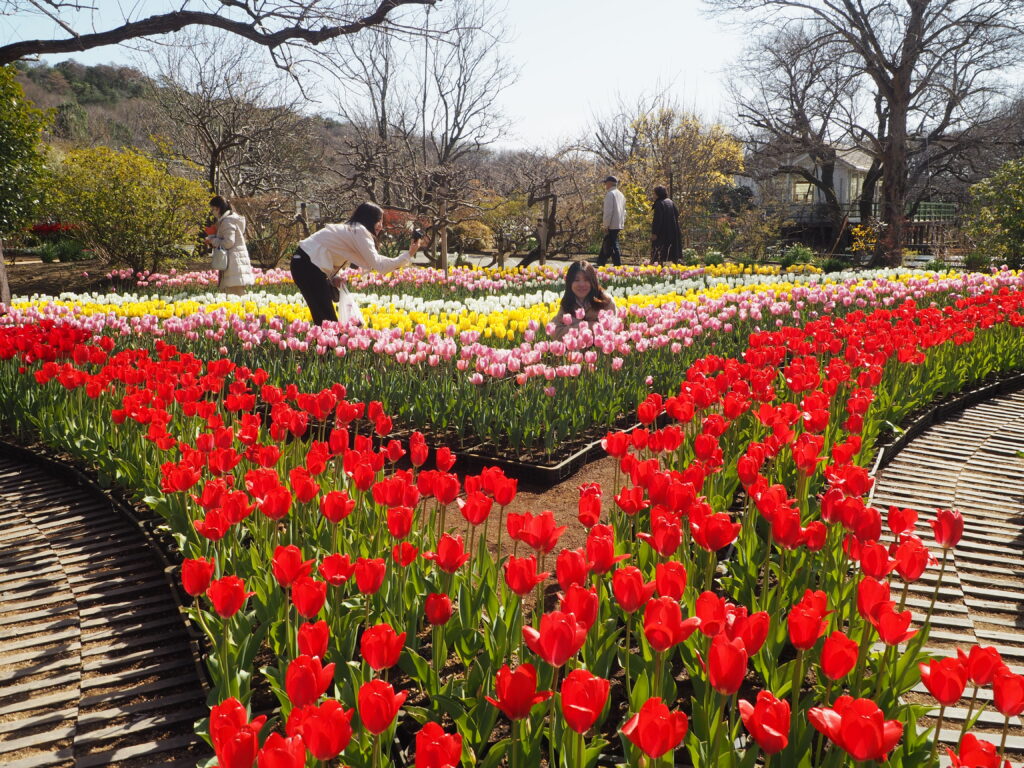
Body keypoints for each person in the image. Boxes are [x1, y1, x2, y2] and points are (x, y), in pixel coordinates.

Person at [290, 202, 420, 326]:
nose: (381, 226)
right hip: (306, 266)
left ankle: (329, 340)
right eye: (378, 221)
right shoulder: (359, 231)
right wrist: (409, 254)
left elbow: (329, 252)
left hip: (304, 264)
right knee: (326, 319)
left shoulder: (351, 229)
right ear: (368, 219)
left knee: (325, 318)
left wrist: (333, 276)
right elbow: (379, 265)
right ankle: (330, 341)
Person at [548, 260, 614, 340]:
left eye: (586, 280)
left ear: (592, 281)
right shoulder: (567, 303)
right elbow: (557, 333)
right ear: (570, 283)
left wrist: (573, 327)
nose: (582, 284)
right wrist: (586, 326)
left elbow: (613, 331)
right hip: (574, 348)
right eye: (576, 280)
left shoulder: (605, 302)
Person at [205, 196, 254, 296]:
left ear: (218, 208)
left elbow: (229, 242)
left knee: (235, 295)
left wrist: (213, 240)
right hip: (235, 260)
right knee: (235, 294)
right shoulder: (229, 219)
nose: (212, 212)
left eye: (213, 209)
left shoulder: (228, 221)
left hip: (234, 262)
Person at [596, 175, 626, 267]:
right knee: (608, 241)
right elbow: (624, 211)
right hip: (618, 223)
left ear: (609, 183)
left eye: (606, 183)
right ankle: (601, 261)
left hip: (612, 223)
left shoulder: (610, 194)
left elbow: (608, 211)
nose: (605, 185)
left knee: (612, 243)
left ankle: (617, 263)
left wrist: (606, 225)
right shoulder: (621, 194)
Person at [651, 185, 682, 264]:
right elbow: (676, 214)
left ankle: (658, 267)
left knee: (659, 252)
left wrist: (654, 233)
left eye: (654, 193)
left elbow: (657, 220)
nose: (653, 195)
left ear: (658, 194)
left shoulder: (659, 203)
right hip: (673, 230)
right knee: (671, 252)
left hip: (662, 233)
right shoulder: (670, 202)